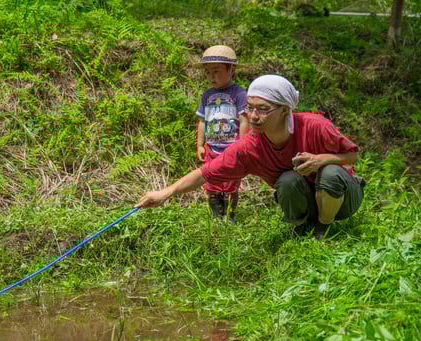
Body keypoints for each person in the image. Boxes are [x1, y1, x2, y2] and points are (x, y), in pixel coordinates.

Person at [137, 75, 365, 240]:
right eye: (250, 108)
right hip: (306, 200)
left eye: (263, 109)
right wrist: (165, 193)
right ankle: (303, 226)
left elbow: (353, 156)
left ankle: (323, 228)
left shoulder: (315, 126)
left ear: (285, 110)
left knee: (330, 172)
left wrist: (320, 159)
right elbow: (205, 173)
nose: (253, 116)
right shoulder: (250, 146)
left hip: (343, 200)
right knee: (288, 179)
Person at [194, 45, 249, 222]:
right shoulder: (207, 95)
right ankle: (217, 217)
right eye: (208, 72)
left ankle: (230, 216)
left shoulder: (239, 94)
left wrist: (242, 144)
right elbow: (202, 121)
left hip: (232, 147)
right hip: (212, 147)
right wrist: (200, 145)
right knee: (212, 180)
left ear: (231, 70)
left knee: (231, 182)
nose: (212, 77)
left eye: (216, 71)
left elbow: (245, 120)